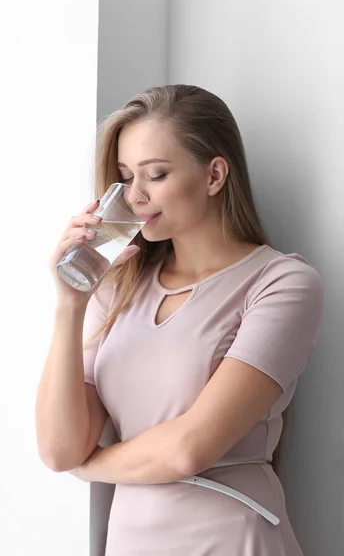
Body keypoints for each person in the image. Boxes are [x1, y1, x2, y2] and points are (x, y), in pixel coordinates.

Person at [36, 85, 324, 555]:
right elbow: (58, 449)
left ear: (214, 174)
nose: (136, 196)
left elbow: (189, 448)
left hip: (232, 539)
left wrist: (91, 467)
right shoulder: (119, 286)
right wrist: (70, 306)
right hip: (132, 541)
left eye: (156, 174)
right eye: (126, 178)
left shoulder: (282, 283)